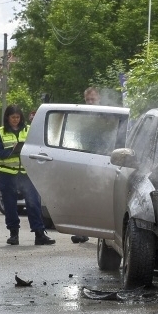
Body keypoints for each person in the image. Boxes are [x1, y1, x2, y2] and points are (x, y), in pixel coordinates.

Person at [0, 104, 55, 246]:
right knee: (10, 206)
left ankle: (39, 234)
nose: (15, 120)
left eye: (18, 117)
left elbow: (37, 148)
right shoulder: (1, 132)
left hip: (26, 173)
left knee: (33, 202)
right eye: (13, 117)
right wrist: (13, 151)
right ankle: (13, 234)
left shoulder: (29, 130)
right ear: (7, 118)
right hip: (7, 174)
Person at [68, 87, 103, 244]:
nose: (90, 102)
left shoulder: (106, 115)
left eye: (93, 99)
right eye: (87, 100)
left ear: (99, 99)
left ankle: (104, 234)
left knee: (102, 199)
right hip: (83, 160)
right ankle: (80, 231)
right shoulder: (81, 116)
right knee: (81, 198)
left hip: (103, 162)